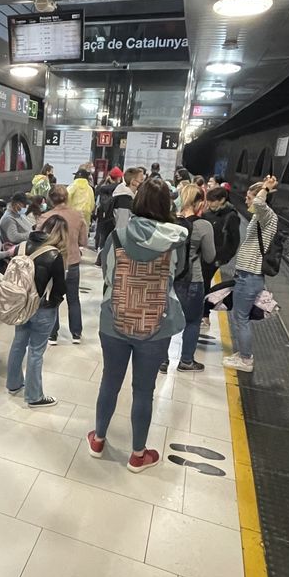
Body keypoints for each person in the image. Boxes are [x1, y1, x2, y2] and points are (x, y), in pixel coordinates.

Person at [87, 179, 188, 473]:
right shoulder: (175, 240)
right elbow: (177, 274)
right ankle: (138, 455)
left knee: (110, 381)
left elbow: (107, 276)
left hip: (115, 321)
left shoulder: (117, 236)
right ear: (166, 205)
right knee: (144, 391)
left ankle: (98, 440)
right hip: (156, 324)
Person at [5, 215, 68, 407]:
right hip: (43, 306)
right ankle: (34, 396)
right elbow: (60, 287)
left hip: (20, 303)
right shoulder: (54, 255)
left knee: (18, 343)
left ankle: (14, 383)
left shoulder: (22, 246)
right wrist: (56, 303)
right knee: (36, 351)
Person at [224, 176, 280, 373]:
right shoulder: (259, 217)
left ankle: (246, 360)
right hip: (246, 276)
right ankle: (242, 353)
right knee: (240, 317)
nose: (246, 201)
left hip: (250, 277)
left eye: (249, 197)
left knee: (241, 318)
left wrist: (264, 188)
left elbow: (258, 202)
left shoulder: (268, 217)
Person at [166, 185, 216, 373]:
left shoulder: (170, 222)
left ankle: (162, 361)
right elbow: (210, 257)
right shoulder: (204, 226)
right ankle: (186, 361)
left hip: (170, 277)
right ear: (199, 202)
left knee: (167, 320)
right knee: (192, 321)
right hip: (193, 279)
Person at [38, 185, 88, 344]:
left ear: (50, 199)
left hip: (52, 262)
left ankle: (53, 334)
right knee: (73, 298)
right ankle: (76, 333)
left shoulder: (45, 217)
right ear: (67, 197)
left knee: (53, 296)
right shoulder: (78, 216)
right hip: (72, 260)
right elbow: (84, 241)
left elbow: (38, 239)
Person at [201, 187, 242, 291]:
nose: (209, 204)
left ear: (222, 200)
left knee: (205, 282)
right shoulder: (206, 214)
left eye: (212, 201)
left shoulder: (231, 216)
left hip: (216, 257)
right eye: (208, 201)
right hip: (203, 254)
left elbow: (234, 241)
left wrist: (223, 259)